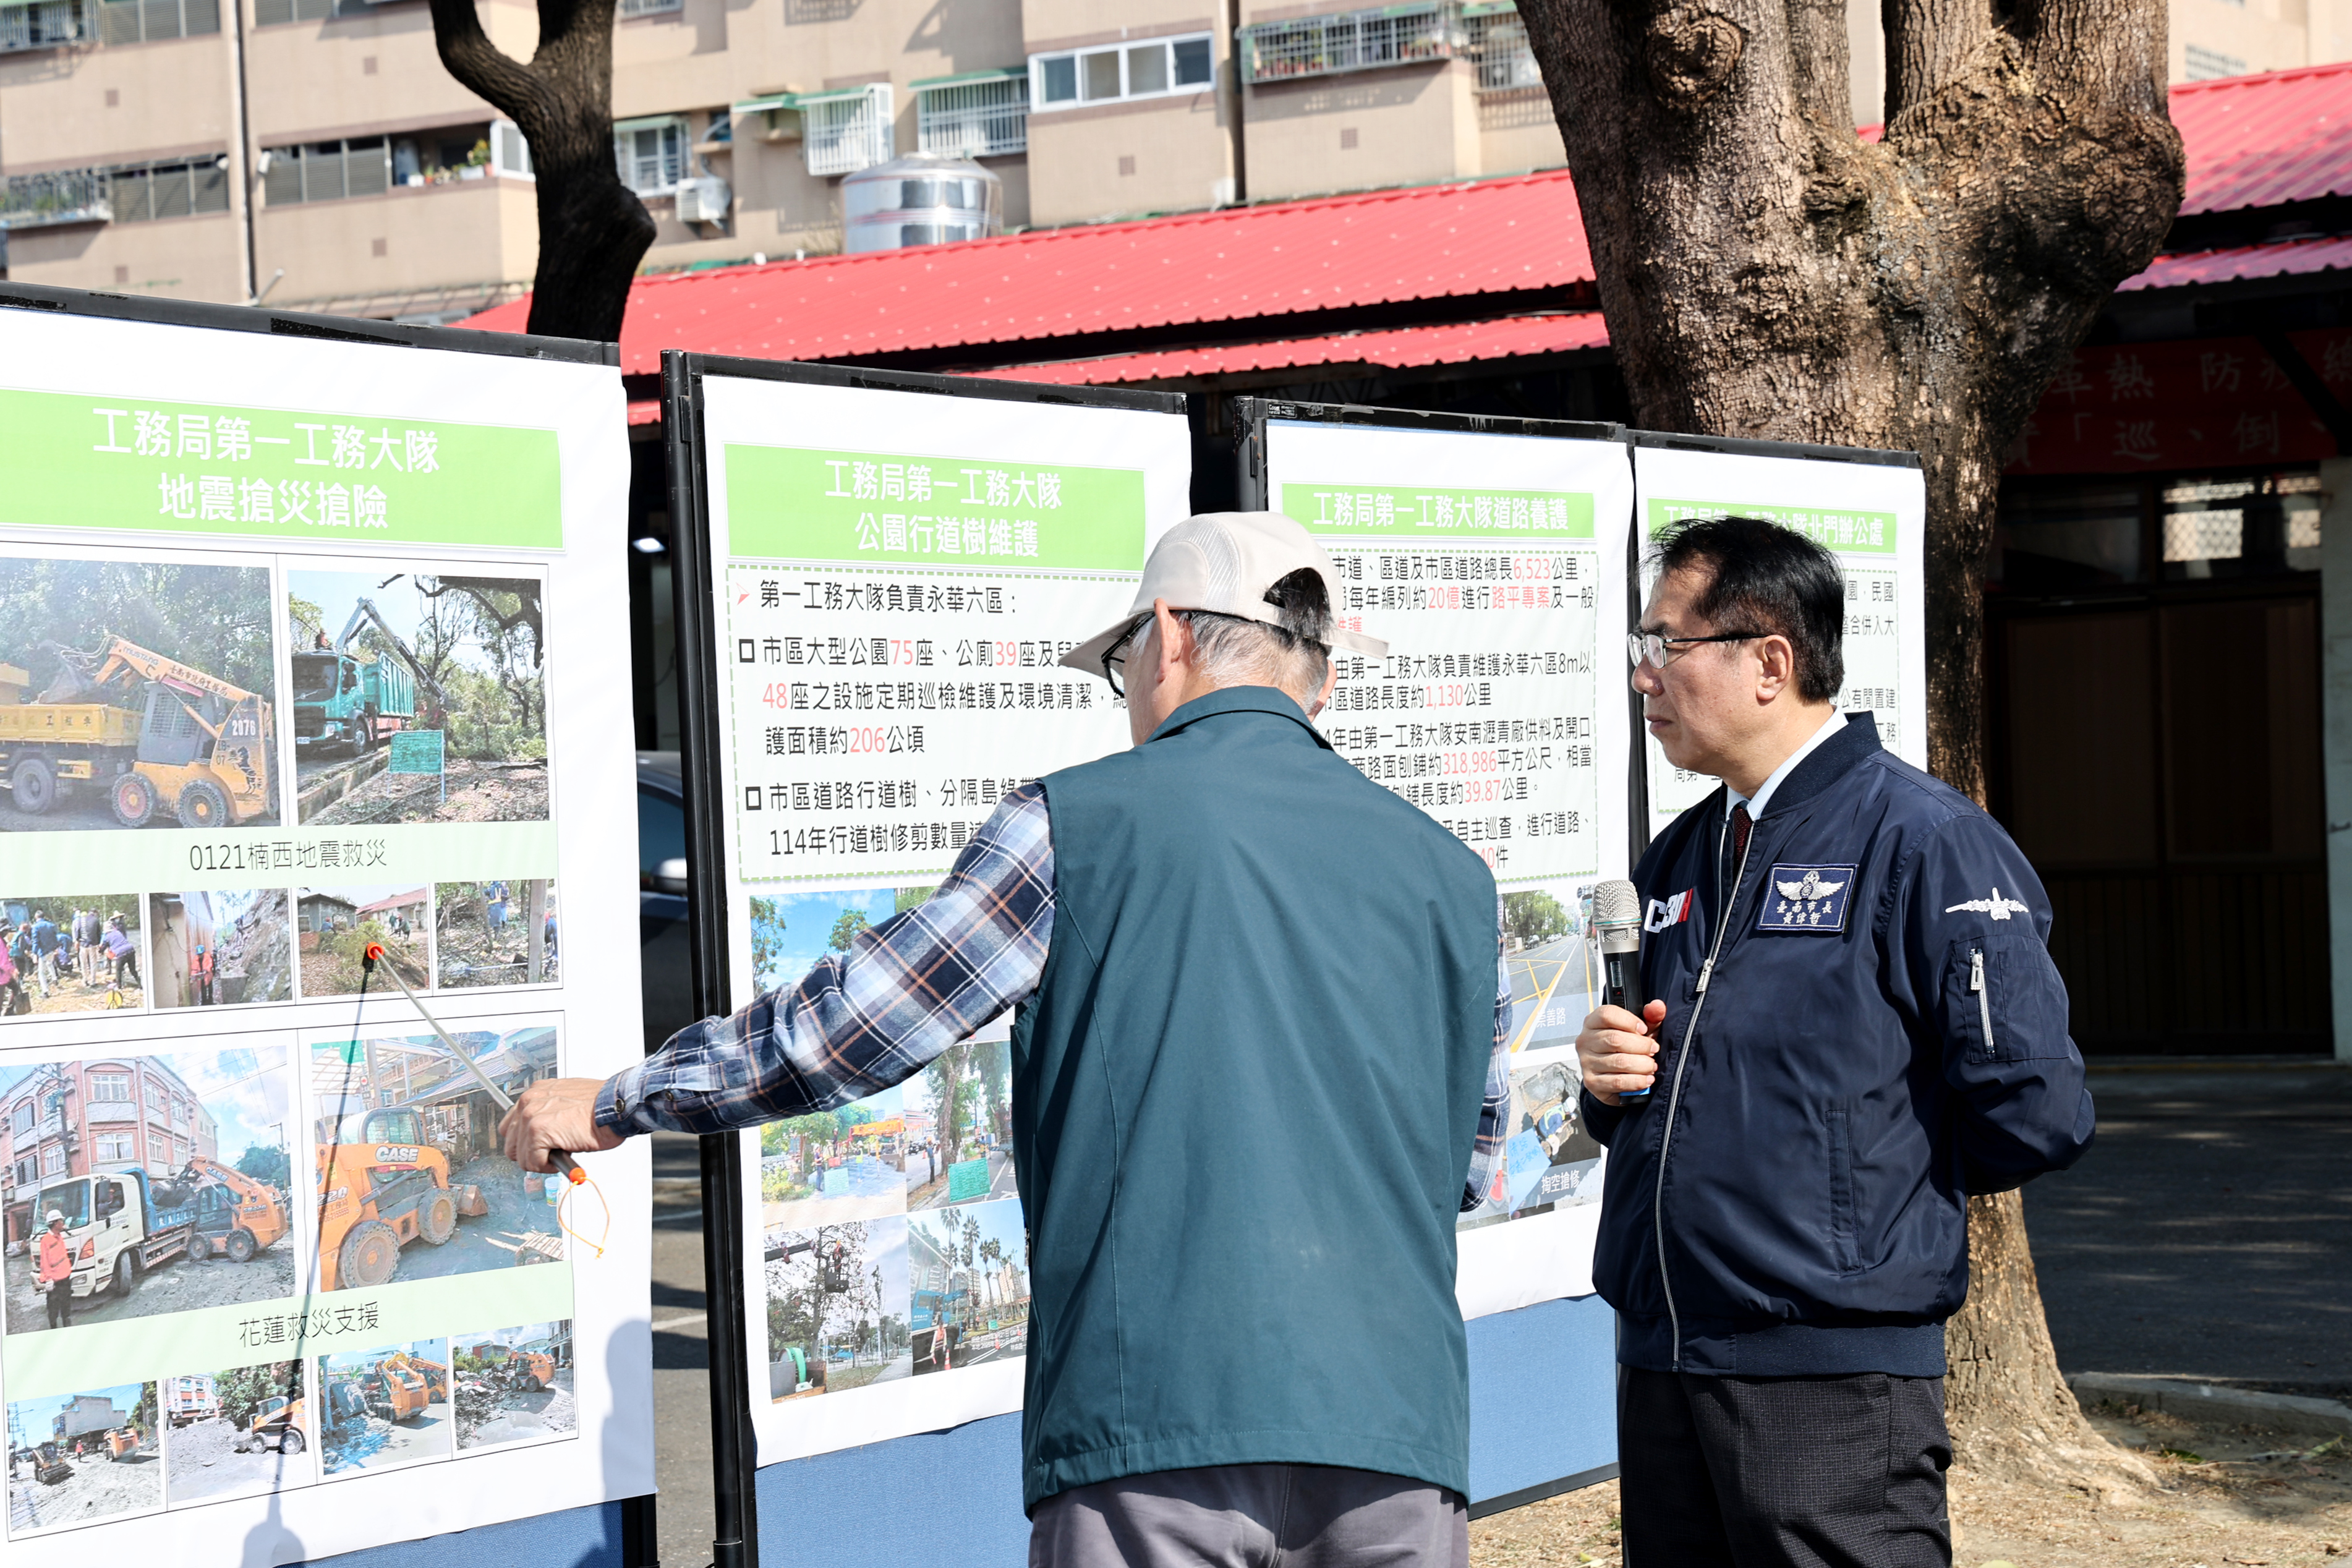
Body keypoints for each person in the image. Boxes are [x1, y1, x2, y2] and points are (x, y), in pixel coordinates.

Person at [502, 512, 1511, 1567]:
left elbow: (852, 1027)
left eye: (1120, 664)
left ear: (1163, 637)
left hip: (1150, 1429)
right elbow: (1467, 1166)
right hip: (1396, 1434)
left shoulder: (1072, 826)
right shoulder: (1453, 876)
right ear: (1322, 679)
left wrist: (619, 1098)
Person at [1575, 516, 2094, 1568]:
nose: (1644, 678)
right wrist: (1607, 1081)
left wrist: (1858, 1211)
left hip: (1830, 1381)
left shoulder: (1922, 838)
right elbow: (1668, 1089)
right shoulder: (1678, 857)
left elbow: (2032, 1109)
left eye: (1662, 646)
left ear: (1768, 661)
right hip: (1665, 1357)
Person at [36, 1211, 74, 1329]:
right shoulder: (46, 1240)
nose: (63, 1223)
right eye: (61, 1221)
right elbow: (45, 1262)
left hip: (65, 1279)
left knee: (66, 1311)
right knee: (53, 1312)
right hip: (55, 1283)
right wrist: (48, 1279)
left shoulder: (60, 1236)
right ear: (55, 1223)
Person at [103, 914, 138, 991]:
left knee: (118, 970)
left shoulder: (107, 937)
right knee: (133, 970)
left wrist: (100, 951)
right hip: (131, 950)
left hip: (121, 954)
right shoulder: (118, 932)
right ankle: (140, 984)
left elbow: (103, 947)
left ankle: (119, 987)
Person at [28, 909, 57, 997]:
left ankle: (45, 992)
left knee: (41, 972)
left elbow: (36, 942)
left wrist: (34, 954)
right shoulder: (51, 925)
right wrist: (56, 948)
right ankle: (55, 978)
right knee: (50, 964)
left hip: (43, 952)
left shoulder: (36, 927)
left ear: (36, 917)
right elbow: (55, 938)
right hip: (51, 951)